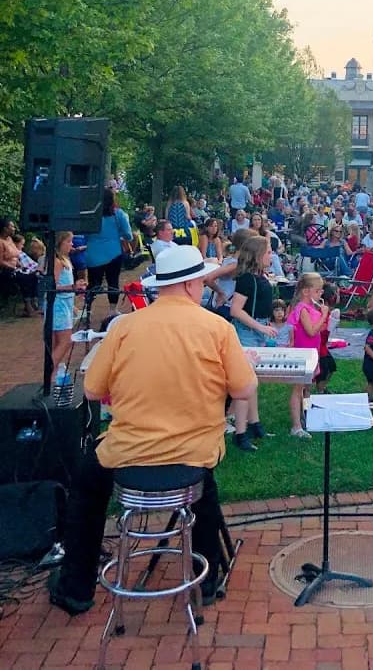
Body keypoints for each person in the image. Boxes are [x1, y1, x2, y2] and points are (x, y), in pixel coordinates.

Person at [48, 245, 257, 615]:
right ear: (191, 285)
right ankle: (206, 581)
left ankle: (76, 588)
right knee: (202, 487)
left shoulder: (124, 327)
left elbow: (93, 390)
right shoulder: (217, 328)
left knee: (86, 487)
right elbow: (243, 390)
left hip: (127, 452)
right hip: (193, 452)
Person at [228, 236, 277, 452]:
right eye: (268, 252)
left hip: (257, 330)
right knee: (244, 383)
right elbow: (235, 310)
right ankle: (240, 433)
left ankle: (255, 424)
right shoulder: (247, 279)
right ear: (258, 255)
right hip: (248, 333)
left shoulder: (259, 276)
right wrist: (260, 327)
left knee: (252, 381)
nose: (271, 255)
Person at [287, 273, 327, 438]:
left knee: (307, 387)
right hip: (302, 354)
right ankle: (296, 426)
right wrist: (324, 315)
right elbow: (311, 331)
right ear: (306, 292)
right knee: (298, 388)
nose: (320, 294)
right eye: (317, 291)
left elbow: (318, 329)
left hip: (312, 353)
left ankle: (307, 415)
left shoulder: (312, 308)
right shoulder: (302, 309)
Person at [84, 188, 133, 322]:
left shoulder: (90, 214)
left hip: (93, 253)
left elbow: (85, 234)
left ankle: (87, 310)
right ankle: (112, 310)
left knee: (93, 284)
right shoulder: (119, 214)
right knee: (113, 282)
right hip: (114, 253)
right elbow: (128, 235)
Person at [51, 231, 86, 375]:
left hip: (65, 304)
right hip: (58, 305)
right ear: (60, 243)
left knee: (56, 343)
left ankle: (52, 375)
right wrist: (73, 287)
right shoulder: (57, 262)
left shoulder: (65, 259)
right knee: (65, 340)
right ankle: (49, 371)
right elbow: (52, 287)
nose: (72, 244)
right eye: (69, 241)